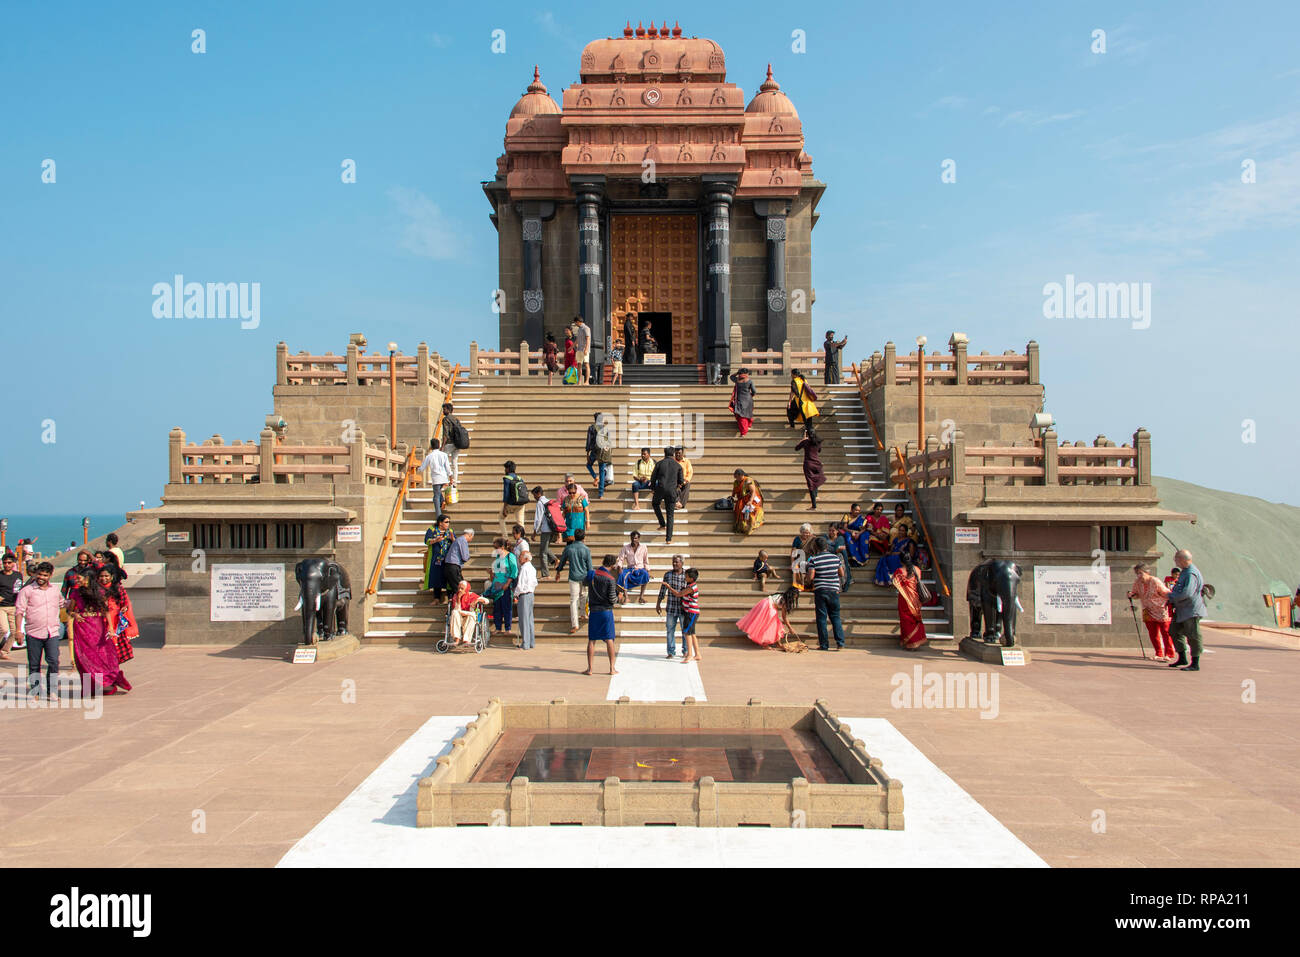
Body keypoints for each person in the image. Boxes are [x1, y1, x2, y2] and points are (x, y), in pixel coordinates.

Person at [67, 573, 129, 694]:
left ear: (87, 578)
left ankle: (107, 681)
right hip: (82, 626)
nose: (77, 580)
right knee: (84, 657)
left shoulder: (100, 592)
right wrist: (75, 614)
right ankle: (89, 686)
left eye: (79, 578)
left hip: (98, 626)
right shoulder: (76, 592)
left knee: (102, 655)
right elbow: (70, 610)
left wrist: (111, 628)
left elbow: (105, 611)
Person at [15, 562, 63, 695]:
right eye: (39, 574)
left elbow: (62, 603)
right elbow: (19, 611)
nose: (41, 577)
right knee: (34, 664)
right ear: (36, 574)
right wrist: (18, 631)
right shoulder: (27, 591)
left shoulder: (54, 590)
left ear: (50, 576)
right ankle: (35, 690)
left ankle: (51, 690)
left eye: (45, 575)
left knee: (54, 661)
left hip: (52, 632)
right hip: (33, 633)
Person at [1167, 549, 1207, 671]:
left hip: (1191, 610)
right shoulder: (1184, 572)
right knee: (1174, 631)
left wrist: (1171, 597)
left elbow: (1187, 593)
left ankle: (1195, 662)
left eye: (1177, 559)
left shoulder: (1191, 573)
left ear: (1184, 559)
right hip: (1181, 610)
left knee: (1193, 635)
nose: (1175, 561)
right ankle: (1182, 657)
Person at [1127, 562, 1176, 661]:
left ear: (1147, 572)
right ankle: (1158, 653)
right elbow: (1137, 595)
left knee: (1165, 632)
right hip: (1148, 610)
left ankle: (1169, 653)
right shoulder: (1137, 582)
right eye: (1137, 574)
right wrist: (1131, 595)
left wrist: (1173, 599)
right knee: (1153, 633)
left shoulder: (1155, 581)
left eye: (1141, 573)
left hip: (1161, 609)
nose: (1139, 576)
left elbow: (1165, 592)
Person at [584, 555, 623, 674]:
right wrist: (619, 598)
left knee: (592, 640)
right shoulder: (610, 579)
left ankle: (590, 668)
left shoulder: (591, 574)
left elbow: (584, 582)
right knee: (609, 638)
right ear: (612, 565)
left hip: (594, 610)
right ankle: (611, 668)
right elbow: (612, 599)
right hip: (606, 611)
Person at [805, 537, 846, 650]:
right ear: (827, 546)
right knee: (835, 617)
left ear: (816, 547)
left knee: (821, 618)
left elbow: (811, 577)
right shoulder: (835, 558)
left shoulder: (814, 559)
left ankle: (824, 645)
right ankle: (840, 643)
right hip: (833, 590)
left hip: (821, 590)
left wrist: (808, 577)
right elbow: (841, 573)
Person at [554, 528, 593, 635]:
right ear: (584, 538)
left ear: (574, 537)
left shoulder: (569, 548)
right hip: (584, 576)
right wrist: (592, 579)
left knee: (573, 600)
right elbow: (590, 567)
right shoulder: (586, 550)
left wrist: (558, 572)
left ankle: (575, 624)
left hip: (573, 577)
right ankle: (583, 614)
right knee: (584, 595)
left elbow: (561, 562)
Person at [737, 586, 802, 648]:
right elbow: (784, 617)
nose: (796, 597)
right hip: (768, 606)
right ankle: (765, 644)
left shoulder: (782, 596)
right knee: (770, 626)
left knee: (776, 625)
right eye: (796, 595)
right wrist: (790, 628)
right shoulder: (785, 600)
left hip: (766, 602)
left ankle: (778, 644)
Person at [99, 566, 138, 665]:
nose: (104, 578)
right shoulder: (96, 589)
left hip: (115, 620)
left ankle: (112, 669)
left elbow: (124, 603)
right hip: (99, 620)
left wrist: (124, 608)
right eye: (101, 576)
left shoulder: (118, 588)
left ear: (111, 577)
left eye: (106, 576)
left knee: (114, 647)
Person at [893, 548, 928, 650]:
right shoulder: (917, 570)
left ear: (901, 561)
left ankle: (910, 643)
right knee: (915, 619)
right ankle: (917, 641)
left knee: (906, 621)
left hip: (904, 600)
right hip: (915, 599)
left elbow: (896, 584)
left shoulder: (899, 572)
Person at [656, 553, 689, 659]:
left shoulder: (687, 575)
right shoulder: (668, 575)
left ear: (682, 563)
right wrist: (658, 603)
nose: (674, 564)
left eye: (677, 562)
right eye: (673, 562)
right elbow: (662, 590)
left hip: (684, 608)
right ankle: (671, 651)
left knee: (685, 630)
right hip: (671, 607)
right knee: (670, 630)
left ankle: (686, 650)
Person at [651, 446, 683, 544]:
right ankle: (668, 539)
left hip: (660, 489)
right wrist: (676, 486)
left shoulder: (659, 464)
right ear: (673, 454)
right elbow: (681, 481)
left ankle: (662, 523)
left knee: (655, 504)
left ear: (664, 453)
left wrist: (652, 488)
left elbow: (653, 477)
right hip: (671, 491)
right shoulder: (678, 466)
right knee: (670, 515)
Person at [488, 537, 519, 636]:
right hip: (497, 585)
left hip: (506, 586)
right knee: (497, 607)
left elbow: (514, 571)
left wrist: (507, 583)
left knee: (506, 607)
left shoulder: (510, 557)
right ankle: (498, 627)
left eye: (497, 548)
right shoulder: (498, 557)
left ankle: (507, 627)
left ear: (502, 547)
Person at [422, 514, 455, 601]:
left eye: (449, 522)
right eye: (446, 522)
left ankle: (450, 597)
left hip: (448, 559)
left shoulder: (450, 531)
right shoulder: (432, 530)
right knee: (436, 577)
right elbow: (427, 541)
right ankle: (436, 598)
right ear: (440, 523)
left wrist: (453, 539)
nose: (448, 524)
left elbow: (455, 543)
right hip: (435, 558)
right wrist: (436, 540)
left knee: (448, 577)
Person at [448, 579, 488, 645]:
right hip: (460, 616)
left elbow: (486, 601)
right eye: (459, 588)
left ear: (466, 589)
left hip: (469, 615)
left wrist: (476, 601)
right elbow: (457, 609)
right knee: (454, 612)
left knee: (472, 616)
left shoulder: (471, 595)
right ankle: (457, 638)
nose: (460, 590)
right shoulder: (456, 596)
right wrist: (458, 599)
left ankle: (466, 640)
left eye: (462, 588)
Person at [420, 437, 452, 517]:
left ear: (431, 446)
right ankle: (442, 501)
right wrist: (451, 477)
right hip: (444, 477)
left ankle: (438, 515)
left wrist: (416, 469)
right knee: (438, 492)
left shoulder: (429, 456)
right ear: (439, 445)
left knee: (436, 497)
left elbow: (422, 468)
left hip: (436, 478)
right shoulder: (444, 455)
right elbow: (448, 467)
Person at [616, 530, 651, 603]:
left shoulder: (643, 547)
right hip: (630, 569)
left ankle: (641, 597)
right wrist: (619, 567)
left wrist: (647, 569)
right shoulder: (625, 547)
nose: (633, 540)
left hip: (640, 568)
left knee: (645, 574)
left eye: (635, 538)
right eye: (632, 538)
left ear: (638, 539)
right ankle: (627, 597)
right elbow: (620, 559)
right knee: (622, 575)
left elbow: (645, 560)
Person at [796, 426, 826, 511]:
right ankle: (816, 495)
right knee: (816, 479)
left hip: (808, 464)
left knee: (811, 483)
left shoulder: (805, 442)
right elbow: (819, 450)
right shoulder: (817, 442)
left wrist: (803, 440)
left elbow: (796, 448)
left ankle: (814, 506)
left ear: (807, 434)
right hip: (817, 463)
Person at [515, 544, 538, 650]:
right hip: (531, 593)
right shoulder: (532, 568)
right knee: (529, 619)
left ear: (525, 558)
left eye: (520, 557)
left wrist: (516, 594)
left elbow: (520, 584)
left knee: (524, 620)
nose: (519, 559)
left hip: (524, 594)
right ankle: (531, 642)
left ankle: (525, 643)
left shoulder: (524, 569)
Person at [531, 486, 558, 573]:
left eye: (534, 495)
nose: (534, 497)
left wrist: (535, 532)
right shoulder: (549, 501)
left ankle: (546, 574)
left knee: (542, 553)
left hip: (546, 530)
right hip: (553, 529)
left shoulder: (540, 503)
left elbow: (538, 520)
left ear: (538, 494)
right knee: (545, 548)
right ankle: (554, 560)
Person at [441, 528, 475, 597]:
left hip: (450, 566)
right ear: (470, 535)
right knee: (461, 588)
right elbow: (465, 557)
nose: (471, 540)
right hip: (453, 567)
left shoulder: (459, 540)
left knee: (457, 587)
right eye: (472, 538)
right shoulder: (463, 541)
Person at [585, 413, 612, 499]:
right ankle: (601, 494)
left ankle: (595, 477)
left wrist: (587, 452)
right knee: (602, 471)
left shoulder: (592, 428)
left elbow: (589, 441)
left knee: (588, 465)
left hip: (594, 451)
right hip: (603, 451)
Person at [0, 552, 22, 657]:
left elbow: (18, 590)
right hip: (1, 607)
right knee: (4, 629)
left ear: (13, 563)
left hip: (13, 606)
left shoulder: (18, 575)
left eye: (9, 563)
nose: (7, 565)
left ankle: (4, 652)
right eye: (5, 563)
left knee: (14, 632)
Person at [441, 403, 468, 487]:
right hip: (457, 443)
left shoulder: (446, 419)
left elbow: (445, 433)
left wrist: (442, 445)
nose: (443, 411)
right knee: (454, 462)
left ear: (448, 410)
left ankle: (446, 479)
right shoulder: (456, 419)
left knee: (443, 460)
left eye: (444, 409)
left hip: (449, 443)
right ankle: (455, 481)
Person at [500, 460, 528, 535]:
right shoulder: (520, 478)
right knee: (520, 522)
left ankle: (505, 538)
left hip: (510, 504)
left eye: (505, 468)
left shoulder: (507, 479)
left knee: (501, 518)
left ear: (508, 469)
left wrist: (505, 508)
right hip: (521, 503)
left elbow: (506, 494)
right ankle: (521, 537)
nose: (504, 470)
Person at [828, 522, 855, 592]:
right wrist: (835, 550)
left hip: (838, 558)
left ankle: (839, 586)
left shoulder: (840, 538)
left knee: (839, 559)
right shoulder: (825, 538)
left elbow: (836, 550)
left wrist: (833, 549)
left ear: (837, 531)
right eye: (830, 530)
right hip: (828, 558)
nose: (831, 532)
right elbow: (834, 549)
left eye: (833, 530)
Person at [729, 368, 756, 436]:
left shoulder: (737, 380)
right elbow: (754, 391)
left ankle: (743, 432)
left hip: (739, 400)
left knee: (741, 416)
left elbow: (731, 377)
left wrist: (737, 373)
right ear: (747, 373)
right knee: (748, 412)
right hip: (748, 399)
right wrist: (751, 396)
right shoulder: (749, 381)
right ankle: (748, 426)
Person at [790, 523, 815, 590]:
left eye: (807, 533)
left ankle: (809, 586)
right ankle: (800, 586)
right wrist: (792, 563)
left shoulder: (812, 539)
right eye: (804, 533)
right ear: (801, 532)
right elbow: (793, 552)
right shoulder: (797, 539)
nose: (806, 534)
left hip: (810, 558)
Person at [572, 316, 591, 385]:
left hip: (584, 349)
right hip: (579, 349)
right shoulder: (579, 329)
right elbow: (577, 340)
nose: (575, 324)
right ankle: (579, 381)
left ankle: (587, 381)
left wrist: (586, 349)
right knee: (579, 365)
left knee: (586, 364)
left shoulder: (586, 328)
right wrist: (572, 347)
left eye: (575, 322)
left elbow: (588, 339)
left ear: (578, 322)